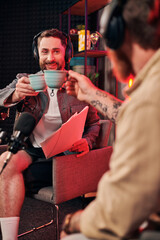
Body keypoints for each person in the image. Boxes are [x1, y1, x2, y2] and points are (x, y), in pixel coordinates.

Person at [60, 0, 160, 240]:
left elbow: (116, 214)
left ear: (118, 37)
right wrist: (91, 93)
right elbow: (136, 116)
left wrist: (74, 221)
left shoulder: (149, 98)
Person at [0, 28, 103, 240]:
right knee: (4, 164)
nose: (50, 58)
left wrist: (87, 141)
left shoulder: (79, 84)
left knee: (7, 177)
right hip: (33, 152)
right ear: (37, 54)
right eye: (45, 51)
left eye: (56, 51)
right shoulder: (25, 81)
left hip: (66, 157)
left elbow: (94, 124)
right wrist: (15, 94)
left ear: (66, 53)